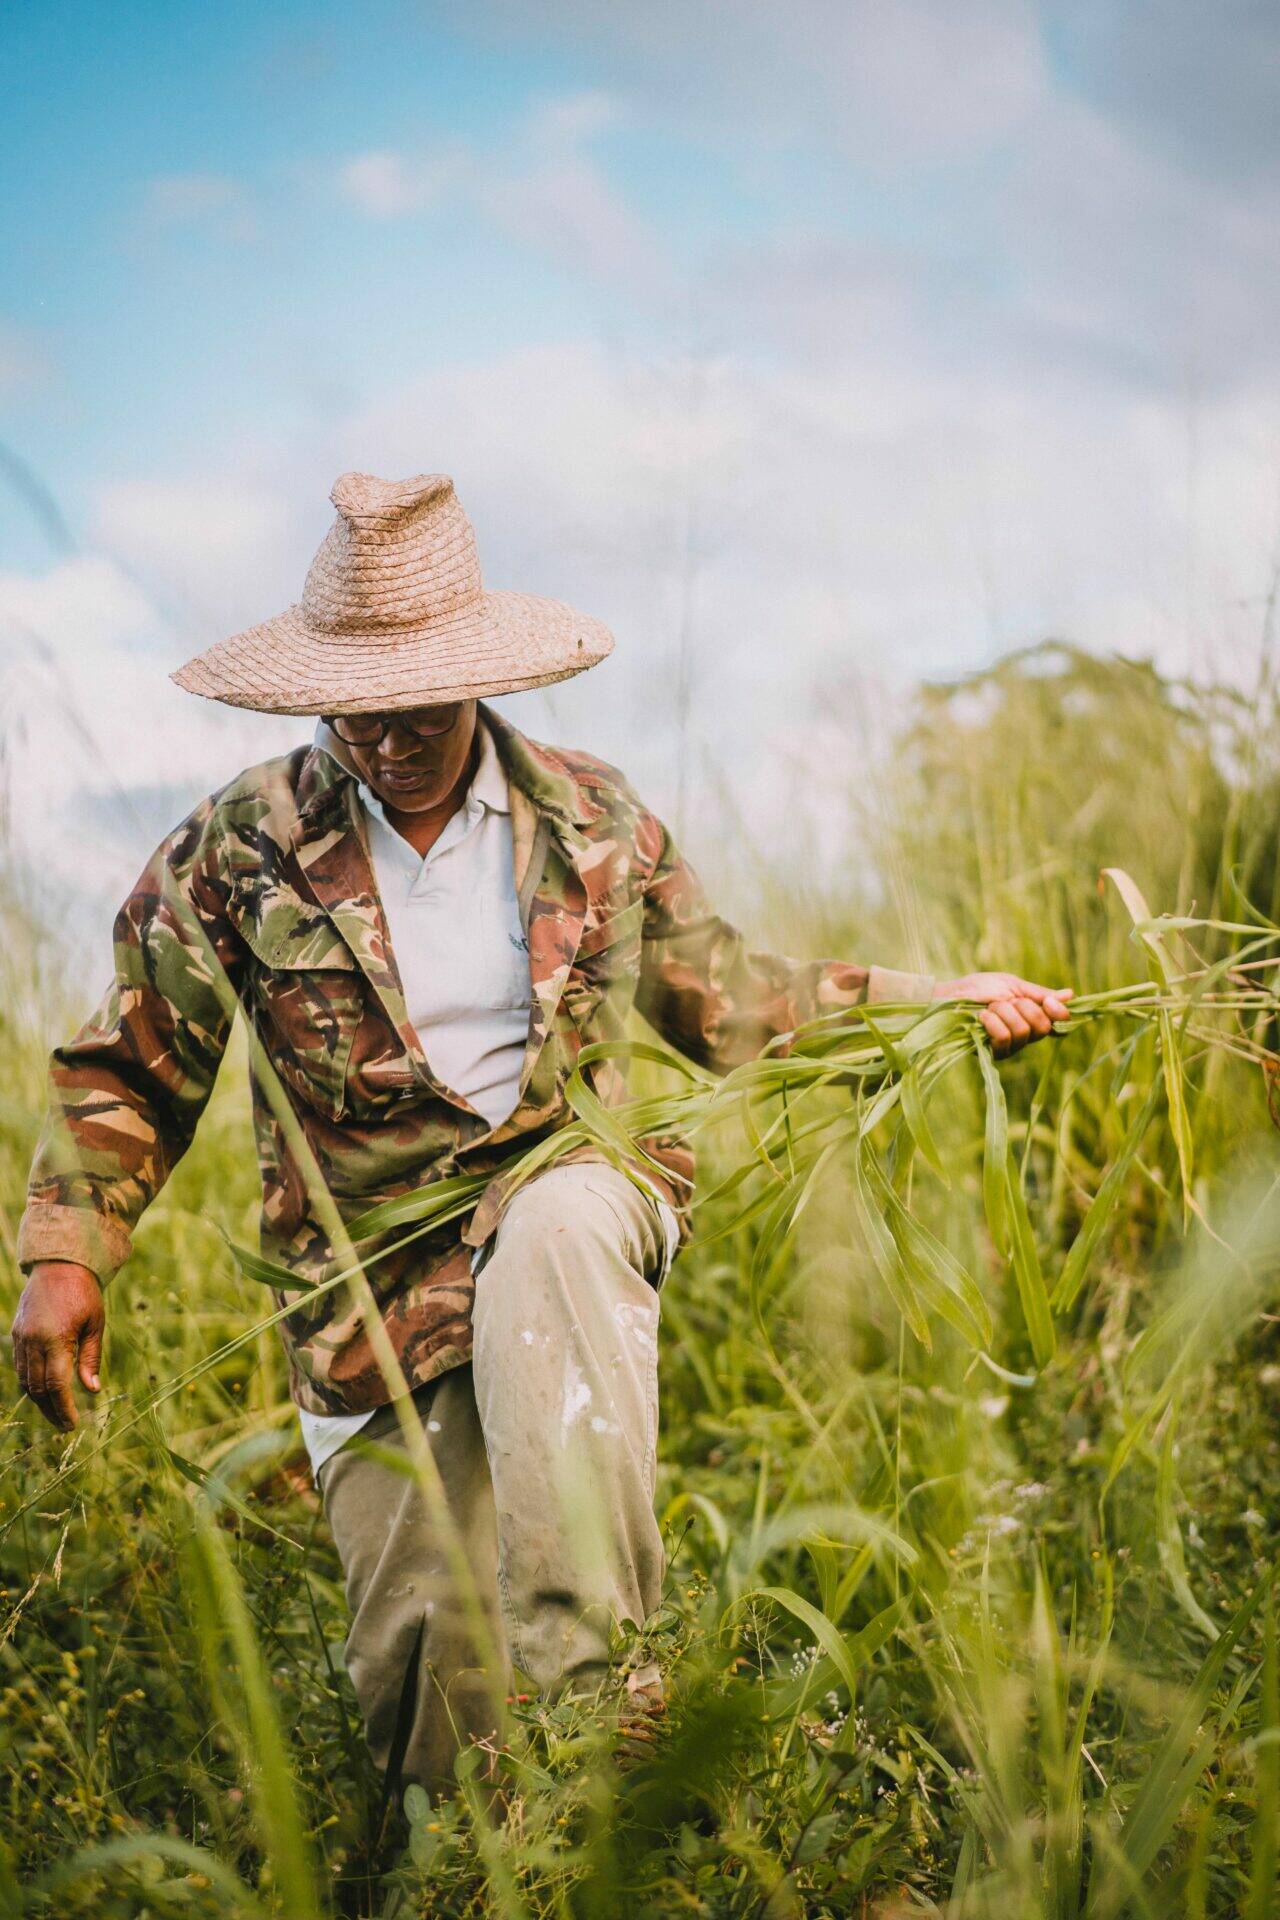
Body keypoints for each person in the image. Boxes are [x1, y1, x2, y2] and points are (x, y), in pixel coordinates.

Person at [9, 470, 1072, 1793]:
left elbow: (734, 1000)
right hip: (371, 1289)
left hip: (570, 1183)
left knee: (560, 1230)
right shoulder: (244, 847)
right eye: (357, 706)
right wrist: (67, 1253)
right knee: (424, 1682)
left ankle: (606, 1705)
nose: (386, 735)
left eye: (418, 704)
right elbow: (134, 1060)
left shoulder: (590, 822)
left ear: (477, 681)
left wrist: (934, 1004)